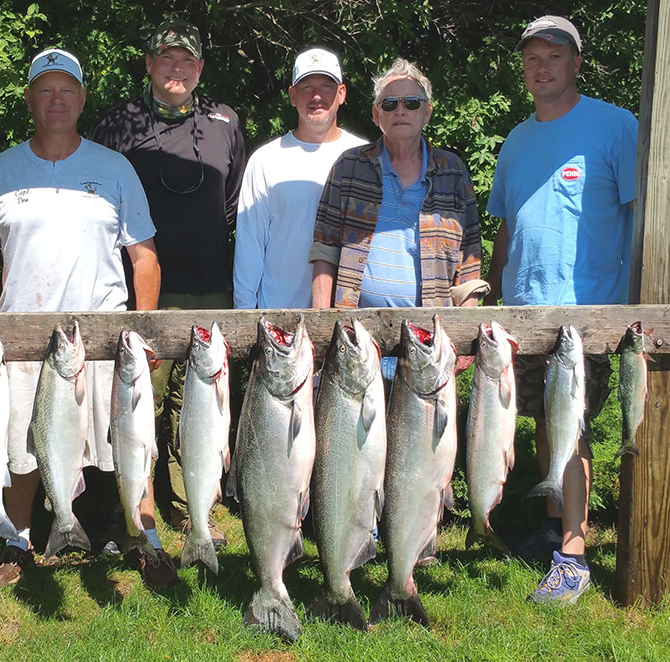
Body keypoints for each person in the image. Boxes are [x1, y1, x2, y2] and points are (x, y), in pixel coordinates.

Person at [0, 48, 176, 590]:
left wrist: (141, 332)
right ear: (29, 99)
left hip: (102, 339)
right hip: (20, 341)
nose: (56, 99)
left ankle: (147, 539)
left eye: (66, 89)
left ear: (82, 98)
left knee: (131, 446)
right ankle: (17, 542)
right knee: (22, 448)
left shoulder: (114, 169)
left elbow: (145, 258)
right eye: (45, 89)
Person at [484, 16, 638, 604]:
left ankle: (574, 554)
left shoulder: (615, 127)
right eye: (532, 58)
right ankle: (552, 526)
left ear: (577, 62)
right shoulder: (517, 141)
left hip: (587, 318)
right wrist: (492, 295)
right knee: (547, 428)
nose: (541, 66)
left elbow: (643, 215)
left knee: (571, 431)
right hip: (524, 317)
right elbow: (507, 229)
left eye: (554, 55)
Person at [91, 20, 246, 545]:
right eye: (167, 59)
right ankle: (131, 507)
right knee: (140, 401)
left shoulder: (226, 121)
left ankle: (189, 503)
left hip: (210, 284)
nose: (177, 68)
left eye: (187, 60)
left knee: (198, 401)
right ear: (151, 64)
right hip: (143, 288)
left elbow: (232, 206)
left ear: (199, 68)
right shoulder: (118, 123)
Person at [309, 58, 487, 334]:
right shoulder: (349, 166)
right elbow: (324, 248)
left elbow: (470, 260)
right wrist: (321, 330)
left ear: (427, 112)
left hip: (429, 338)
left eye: (411, 103)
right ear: (376, 115)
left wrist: (462, 337)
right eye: (390, 104)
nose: (400, 111)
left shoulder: (452, 172)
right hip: (355, 337)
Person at [233, 47, 365, 309]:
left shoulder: (365, 159)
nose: (316, 96)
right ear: (292, 95)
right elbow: (249, 246)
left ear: (342, 94)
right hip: (279, 319)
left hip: (350, 318)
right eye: (306, 87)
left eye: (327, 86)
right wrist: (244, 316)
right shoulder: (265, 160)